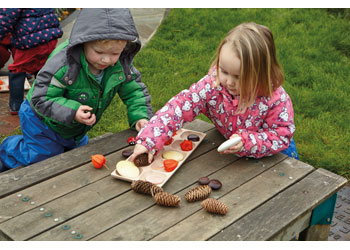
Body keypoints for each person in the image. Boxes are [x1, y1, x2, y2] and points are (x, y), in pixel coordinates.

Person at [0, 8, 153, 172]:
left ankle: (61, 144)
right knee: (43, 158)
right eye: (99, 52)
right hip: (41, 120)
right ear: (83, 42)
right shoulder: (63, 65)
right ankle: (8, 149)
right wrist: (73, 111)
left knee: (77, 156)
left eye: (115, 53)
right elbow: (41, 98)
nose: (106, 59)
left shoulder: (120, 64)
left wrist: (141, 117)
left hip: (73, 127)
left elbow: (134, 91)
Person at [130, 22, 298, 164]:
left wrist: (247, 142)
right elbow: (179, 108)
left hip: (276, 158)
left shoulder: (274, 99)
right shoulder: (213, 85)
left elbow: (280, 136)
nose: (229, 82)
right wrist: (149, 141)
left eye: (239, 77)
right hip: (231, 157)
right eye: (224, 71)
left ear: (260, 74)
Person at [0, 8, 63, 115]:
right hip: (49, 36)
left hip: (29, 39)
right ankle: (43, 100)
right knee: (43, 68)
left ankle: (16, 105)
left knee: (18, 69)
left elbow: (5, 20)